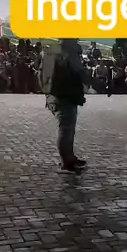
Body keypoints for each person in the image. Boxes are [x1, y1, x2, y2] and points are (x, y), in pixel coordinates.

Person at [40, 39, 87, 173]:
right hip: (65, 95)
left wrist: (46, 92)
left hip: (56, 95)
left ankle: (69, 157)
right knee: (66, 129)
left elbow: (41, 74)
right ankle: (66, 161)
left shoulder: (51, 52)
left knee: (68, 128)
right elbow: (80, 74)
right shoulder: (69, 54)